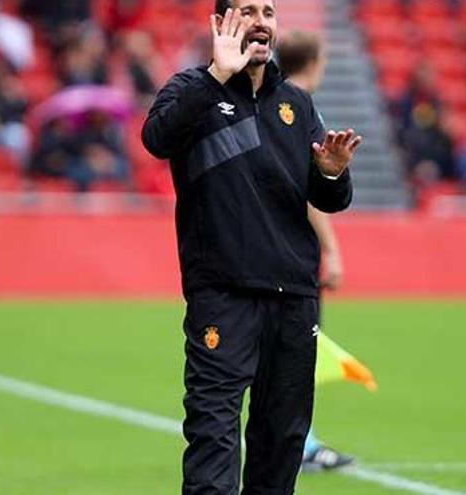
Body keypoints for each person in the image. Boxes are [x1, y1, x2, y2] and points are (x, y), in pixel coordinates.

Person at [141, 1, 362, 493]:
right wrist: (218, 75)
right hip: (223, 294)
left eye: (268, 11)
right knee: (213, 433)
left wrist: (331, 171)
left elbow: (327, 197)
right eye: (246, 11)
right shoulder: (190, 89)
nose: (261, 20)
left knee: (281, 444)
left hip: (293, 299)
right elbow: (157, 139)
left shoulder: (297, 104)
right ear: (220, 25)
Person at [277, 29, 355, 472]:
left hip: (267, 252)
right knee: (296, 353)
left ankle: (296, 440)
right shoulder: (303, 111)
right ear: (316, 62)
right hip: (294, 256)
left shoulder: (268, 102)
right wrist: (333, 249)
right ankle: (299, 444)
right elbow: (309, 193)